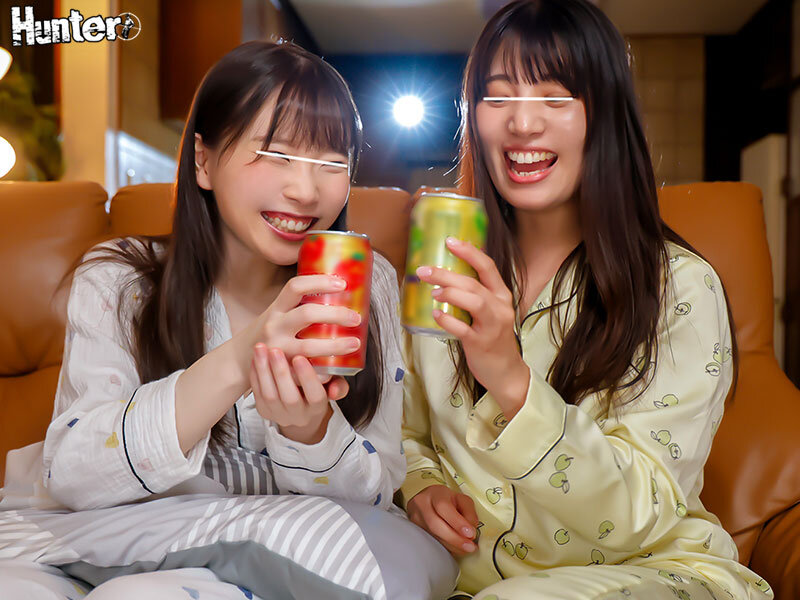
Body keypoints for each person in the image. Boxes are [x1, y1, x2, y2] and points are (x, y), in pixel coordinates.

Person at [0, 40, 408, 598]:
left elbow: (377, 494)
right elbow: (73, 474)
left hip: (267, 556)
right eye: (275, 154)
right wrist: (240, 360)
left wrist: (309, 431)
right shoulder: (121, 280)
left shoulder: (366, 283)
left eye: (332, 164)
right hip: (97, 539)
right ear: (204, 161)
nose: (305, 190)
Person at [399, 1, 773, 598]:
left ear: (604, 116)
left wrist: (512, 382)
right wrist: (419, 487)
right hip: (470, 582)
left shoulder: (679, 287)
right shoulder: (441, 266)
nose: (522, 123)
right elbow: (407, 431)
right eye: (498, 97)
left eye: (555, 97)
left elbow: (640, 513)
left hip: (654, 573)